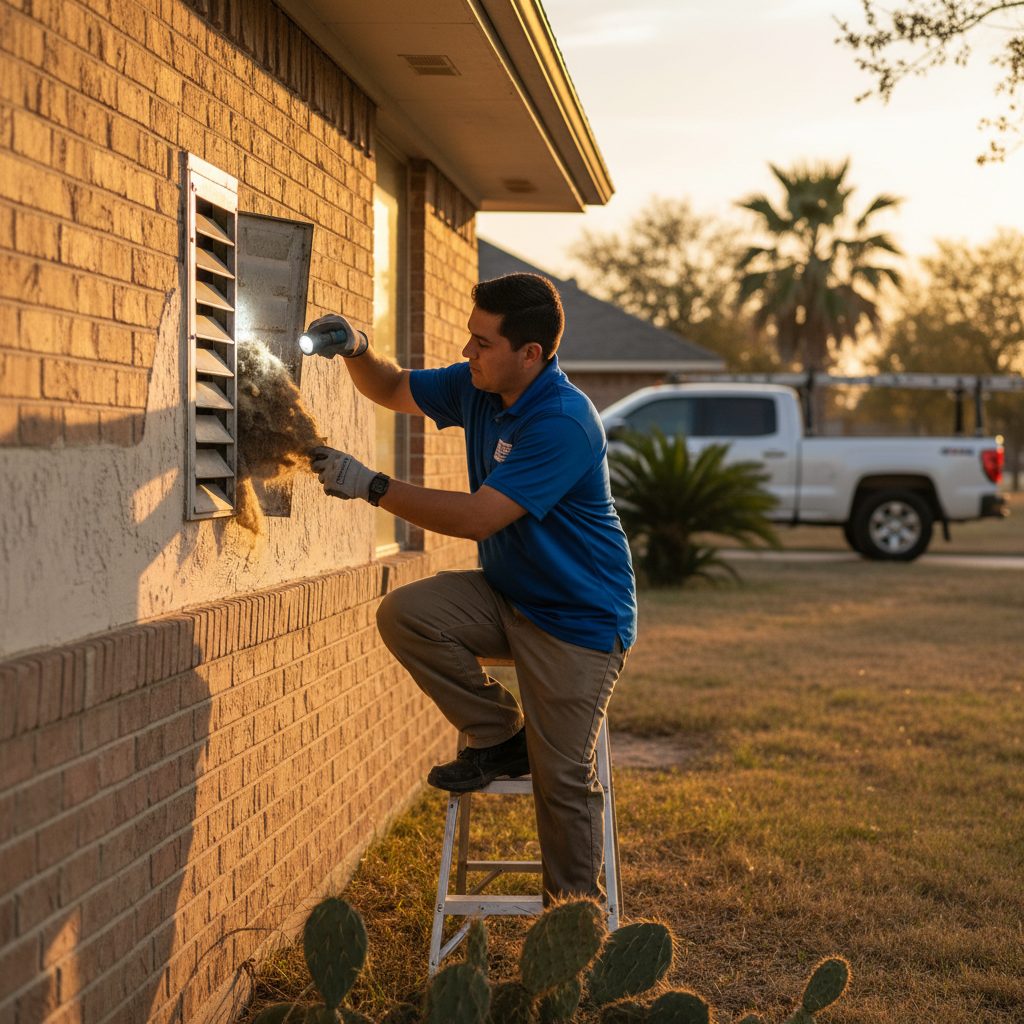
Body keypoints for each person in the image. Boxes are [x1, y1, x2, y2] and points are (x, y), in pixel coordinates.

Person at [308, 272, 637, 901]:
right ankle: (501, 736)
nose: (467, 352)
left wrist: (371, 486)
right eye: (470, 337)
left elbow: (477, 518)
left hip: (579, 619)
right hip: (508, 596)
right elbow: (394, 387)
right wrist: (356, 348)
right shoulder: (480, 386)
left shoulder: (562, 421)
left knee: (562, 780)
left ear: (530, 354)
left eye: (482, 343)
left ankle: (574, 925)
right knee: (408, 613)